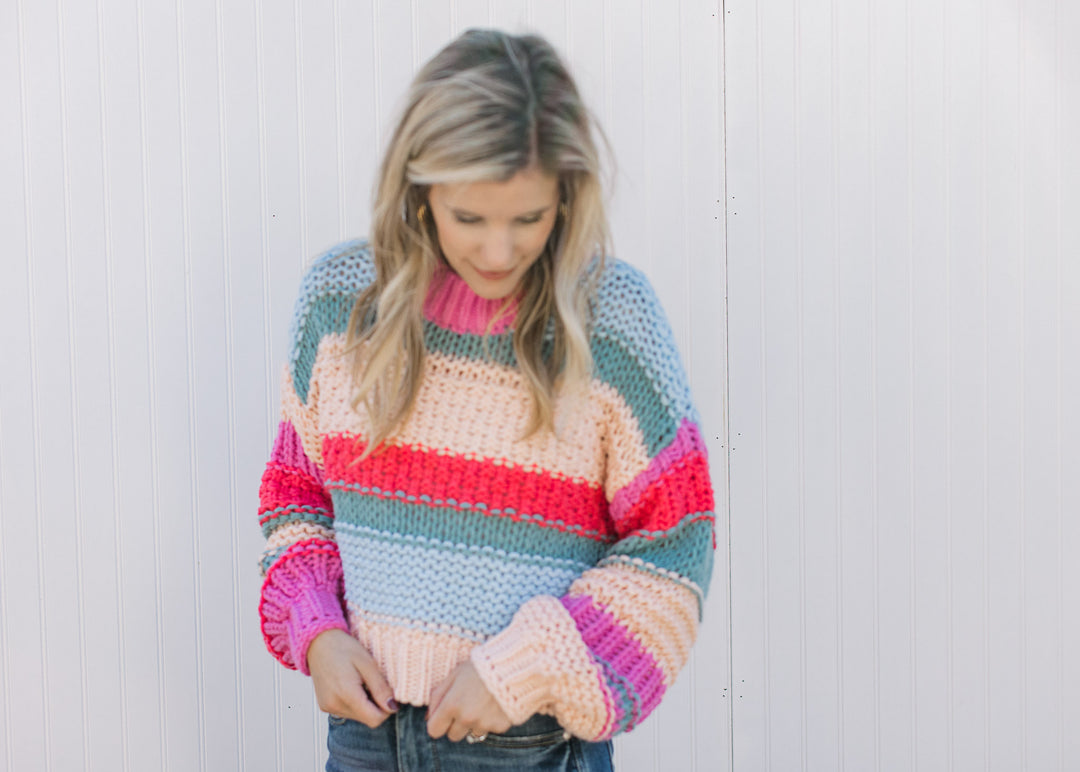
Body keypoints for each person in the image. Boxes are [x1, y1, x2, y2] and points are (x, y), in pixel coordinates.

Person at [256, 28, 716, 772]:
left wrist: (527, 669)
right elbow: (295, 500)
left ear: (566, 198)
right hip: (364, 740)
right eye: (469, 217)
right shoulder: (340, 306)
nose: (498, 253)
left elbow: (676, 547)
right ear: (418, 190)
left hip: (530, 740)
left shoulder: (613, 324)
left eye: (528, 219)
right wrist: (316, 631)